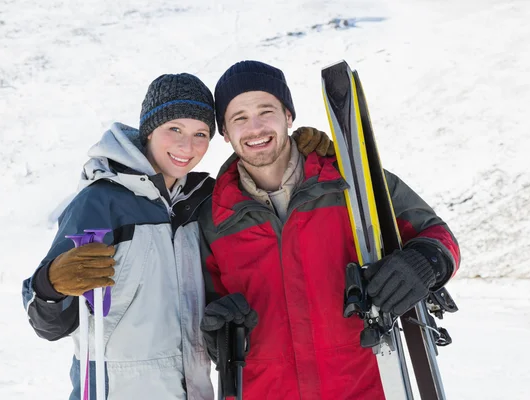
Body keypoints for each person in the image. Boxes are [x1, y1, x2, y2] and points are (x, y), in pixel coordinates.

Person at [21, 72, 332, 400]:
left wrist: (299, 153)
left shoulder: (200, 203)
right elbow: (49, 325)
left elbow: (262, 181)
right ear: (149, 131)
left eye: (200, 133)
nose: (188, 146)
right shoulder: (102, 201)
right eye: (175, 129)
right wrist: (49, 285)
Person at [198, 61, 461, 399]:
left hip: (364, 386)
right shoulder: (212, 218)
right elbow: (205, 311)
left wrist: (426, 263)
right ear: (224, 132)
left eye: (267, 111)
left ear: (288, 116)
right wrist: (215, 335)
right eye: (239, 118)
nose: (256, 127)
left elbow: (439, 236)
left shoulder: (349, 181)